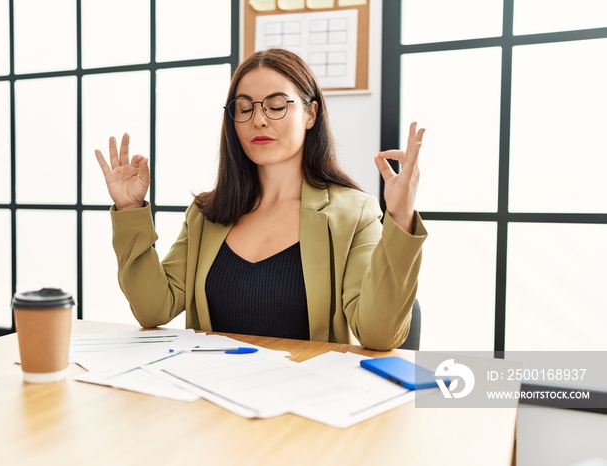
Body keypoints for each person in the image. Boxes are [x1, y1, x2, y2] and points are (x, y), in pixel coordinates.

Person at [94, 48, 426, 350]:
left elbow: (378, 335)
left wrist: (399, 217)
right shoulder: (207, 214)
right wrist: (129, 209)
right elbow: (153, 308)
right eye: (244, 108)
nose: (259, 119)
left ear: (311, 114)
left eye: (277, 106)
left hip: (304, 403)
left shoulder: (353, 213)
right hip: (210, 397)